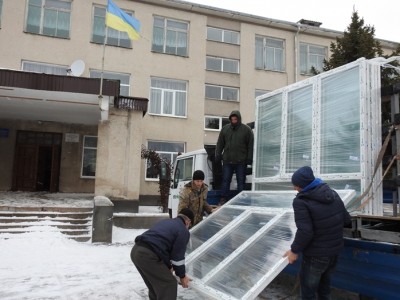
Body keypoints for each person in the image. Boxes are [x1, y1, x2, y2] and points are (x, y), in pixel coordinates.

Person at [284, 166, 352, 300]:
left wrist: (294, 251)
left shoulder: (301, 201)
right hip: (334, 252)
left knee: (308, 294)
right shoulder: (332, 193)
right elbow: (347, 220)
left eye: (296, 185)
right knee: (324, 290)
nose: (295, 189)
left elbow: (306, 232)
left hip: (316, 256)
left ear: (303, 185)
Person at [131, 208, 194, 300]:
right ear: (188, 221)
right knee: (169, 284)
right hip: (148, 255)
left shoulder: (167, 222)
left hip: (136, 251)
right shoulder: (183, 230)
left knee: (155, 284)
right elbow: (178, 258)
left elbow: (161, 245)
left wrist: (168, 267)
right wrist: (182, 276)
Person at [215, 110, 254, 205]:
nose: (234, 120)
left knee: (241, 181)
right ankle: (223, 198)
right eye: (232, 119)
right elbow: (220, 144)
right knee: (225, 180)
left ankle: (241, 199)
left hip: (241, 161)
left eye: (235, 119)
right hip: (228, 160)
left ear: (239, 119)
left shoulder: (246, 130)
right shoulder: (225, 129)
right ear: (230, 119)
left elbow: (250, 145)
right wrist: (218, 155)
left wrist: (249, 158)